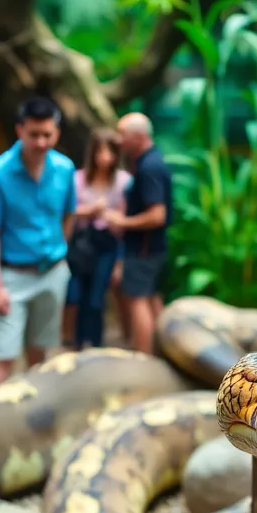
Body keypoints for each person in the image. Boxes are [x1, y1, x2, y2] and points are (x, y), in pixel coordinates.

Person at [0, 96, 77, 385]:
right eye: (34, 135)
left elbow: (69, 214)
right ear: (20, 130)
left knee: (41, 349)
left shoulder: (65, 168)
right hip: (12, 275)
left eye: (47, 135)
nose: (42, 142)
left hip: (52, 271)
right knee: (3, 354)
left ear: (56, 133)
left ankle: (33, 419)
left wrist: (61, 253)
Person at [104, 112, 173, 354]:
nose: (118, 140)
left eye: (123, 134)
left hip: (143, 250)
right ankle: (164, 352)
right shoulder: (150, 162)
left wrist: (123, 221)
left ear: (139, 136)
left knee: (138, 300)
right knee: (151, 299)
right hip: (153, 249)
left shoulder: (149, 167)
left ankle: (144, 358)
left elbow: (157, 215)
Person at [63, 128, 131, 350]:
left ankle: (96, 343)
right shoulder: (77, 179)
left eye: (109, 151)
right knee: (76, 295)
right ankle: (78, 342)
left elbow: (124, 217)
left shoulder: (123, 181)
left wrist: (114, 218)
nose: (105, 157)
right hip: (82, 243)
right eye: (100, 151)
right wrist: (89, 211)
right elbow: (68, 211)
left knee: (96, 298)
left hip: (108, 244)